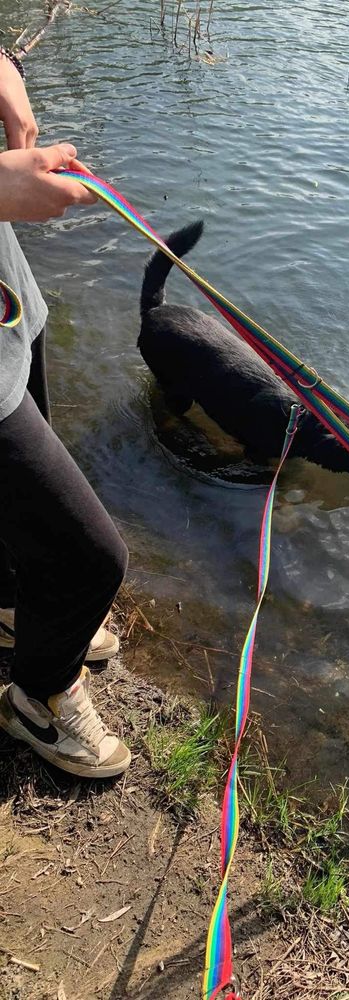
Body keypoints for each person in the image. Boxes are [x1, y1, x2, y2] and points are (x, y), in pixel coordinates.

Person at [0, 47, 131, 778]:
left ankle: (15, 607)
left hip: (9, 308)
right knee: (93, 559)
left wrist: (3, 70)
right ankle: (40, 698)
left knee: (26, 539)